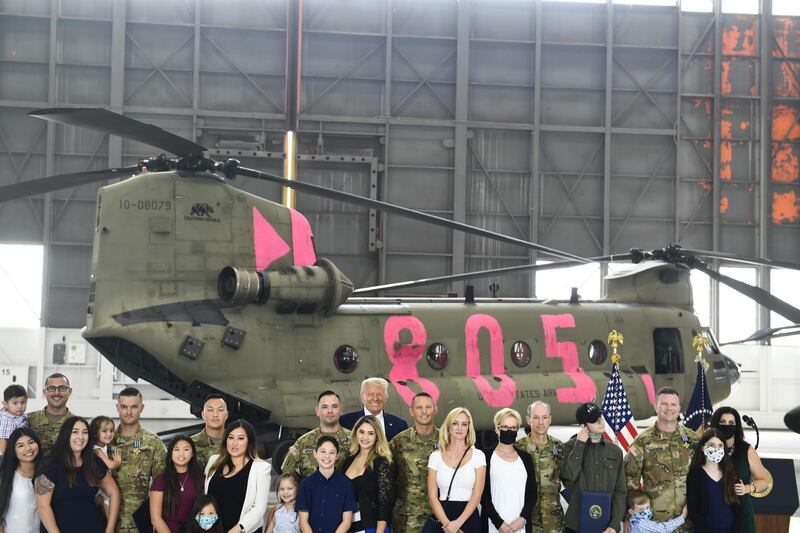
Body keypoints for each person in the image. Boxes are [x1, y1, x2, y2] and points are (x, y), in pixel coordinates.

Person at [624, 387, 698, 532]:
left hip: (690, 521)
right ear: (655, 406)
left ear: (679, 407)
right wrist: (627, 514)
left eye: (673, 404)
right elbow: (629, 480)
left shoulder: (693, 439)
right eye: (664, 404)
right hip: (655, 523)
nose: (669, 408)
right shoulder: (643, 441)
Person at [33, 416, 120, 533]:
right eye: (75, 432)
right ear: (66, 435)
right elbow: (43, 507)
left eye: (85, 432)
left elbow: (114, 492)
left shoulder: (94, 463)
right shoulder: (49, 465)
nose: (80, 437)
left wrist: (110, 529)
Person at [561, 402, 626, 533]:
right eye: (594, 421)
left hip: (607, 525)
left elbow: (620, 491)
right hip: (576, 524)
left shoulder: (615, 451)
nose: (601, 422)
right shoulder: (570, 447)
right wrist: (579, 445)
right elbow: (568, 477)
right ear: (583, 426)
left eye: (600, 417)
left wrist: (614, 525)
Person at [112, 387, 167, 533]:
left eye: (134, 407)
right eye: (124, 407)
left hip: (140, 524)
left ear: (142, 408)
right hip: (106, 522)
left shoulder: (153, 443)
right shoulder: (106, 441)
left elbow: (163, 486)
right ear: (117, 408)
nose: (128, 412)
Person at [710, 407, 770, 533]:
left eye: (731, 423)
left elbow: (765, 480)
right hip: (712, 515)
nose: (727, 426)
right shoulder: (705, 448)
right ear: (715, 423)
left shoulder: (746, 450)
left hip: (741, 517)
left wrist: (748, 488)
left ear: (737, 426)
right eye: (722, 422)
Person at [204, 419, 270, 533]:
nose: (234, 443)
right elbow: (205, 498)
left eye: (240, 438)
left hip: (242, 530)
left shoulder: (261, 468)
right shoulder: (213, 461)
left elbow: (259, 509)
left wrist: (236, 529)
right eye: (231, 437)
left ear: (249, 442)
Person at [426, 407, 485, 533]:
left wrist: (458, 524)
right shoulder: (435, 456)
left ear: (469, 428)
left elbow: (477, 496)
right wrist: (449, 525)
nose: (459, 428)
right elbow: (432, 496)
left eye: (464, 424)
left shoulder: (478, 455)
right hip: (442, 517)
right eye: (455, 423)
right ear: (448, 426)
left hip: (468, 518)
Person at [389, 392, 439, 533]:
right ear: (411, 411)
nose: (424, 412)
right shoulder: (398, 442)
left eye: (428, 407)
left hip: (439, 516)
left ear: (435, 409)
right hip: (407, 519)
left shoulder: (447, 440)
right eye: (419, 407)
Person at [481, 408, 537, 533]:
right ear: (497, 429)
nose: (509, 431)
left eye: (513, 428)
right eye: (505, 427)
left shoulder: (526, 459)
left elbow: (532, 494)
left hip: (520, 527)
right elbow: (482, 495)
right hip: (493, 526)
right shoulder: (486, 457)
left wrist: (522, 520)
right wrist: (498, 523)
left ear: (517, 429)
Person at [514, 401, 565, 532]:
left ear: (550, 420)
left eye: (544, 417)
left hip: (554, 522)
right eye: (536, 417)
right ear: (528, 420)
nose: (540, 422)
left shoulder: (559, 447)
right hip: (526, 520)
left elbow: (569, 478)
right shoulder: (518, 448)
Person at [281, 391, 351, 478]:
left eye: (334, 406)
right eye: (325, 407)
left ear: (341, 410)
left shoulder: (353, 440)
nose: (330, 411)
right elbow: (288, 477)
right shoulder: (303, 442)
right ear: (317, 411)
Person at [342, 416, 393, 533]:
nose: (365, 437)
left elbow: (384, 503)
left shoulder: (381, 462)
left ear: (377, 437)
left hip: (372, 527)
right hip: (349, 526)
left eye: (370, 433)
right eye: (361, 432)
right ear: (355, 433)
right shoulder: (347, 461)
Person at [296, 436, 357, 533]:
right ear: (315, 454)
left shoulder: (346, 484)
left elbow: (347, 521)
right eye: (323, 451)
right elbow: (303, 522)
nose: (327, 456)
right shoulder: (305, 485)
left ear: (337, 456)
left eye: (332, 452)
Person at [686, 428, 742, 532]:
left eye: (720, 445)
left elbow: (737, 510)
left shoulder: (730, 474)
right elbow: (693, 512)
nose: (716, 449)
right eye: (711, 445)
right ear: (703, 448)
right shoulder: (695, 475)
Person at [150, 436, 205, 533]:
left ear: (192, 454)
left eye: (186, 449)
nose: (181, 453)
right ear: (170, 453)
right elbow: (155, 518)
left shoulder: (201, 479)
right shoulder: (161, 480)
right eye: (176, 449)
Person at [0, 428, 42, 533]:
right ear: (13, 450)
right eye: (20, 445)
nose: (28, 448)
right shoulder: (6, 476)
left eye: (31, 442)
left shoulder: (47, 473)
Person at [340, 379, 407, 440]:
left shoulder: (400, 425)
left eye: (379, 394)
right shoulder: (345, 422)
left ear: (386, 397)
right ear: (362, 397)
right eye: (370, 394)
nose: (375, 398)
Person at [28, 373, 75, 455]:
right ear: (44, 392)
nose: (56, 393)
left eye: (62, 388)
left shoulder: (77, 423)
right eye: (51, 388)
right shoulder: (28, 420)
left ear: (70, 391)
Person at [89, 415, 121, 521]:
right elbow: (110, 465)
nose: (109, 434)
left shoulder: (105, 447)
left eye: (111, 430)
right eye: (104, 431)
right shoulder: (96, 450)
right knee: (109, 520)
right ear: (95, 433)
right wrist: (117, 462)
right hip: (101, 491)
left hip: (105, 487)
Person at [192, 395, 229, 471]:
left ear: (227, 415)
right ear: (203, 415)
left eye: (220, 410)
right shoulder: (190, 444)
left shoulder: (236, 443)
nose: (215, 415)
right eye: (210, 410)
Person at [0, 385, 29, 456]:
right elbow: (3, 439)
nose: (19, 406)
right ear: (5, 404)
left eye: (22, 402)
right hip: (10, 450)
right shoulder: (7, 419)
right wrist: (3, 458)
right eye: (15, 403)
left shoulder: (18, 414)